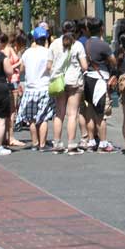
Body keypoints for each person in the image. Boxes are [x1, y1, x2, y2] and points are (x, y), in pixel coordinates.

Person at [47, 20, 87, 154]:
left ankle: (57, 142)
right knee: (72, 114)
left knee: (59, 113)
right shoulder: (78, 45)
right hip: (74, 81)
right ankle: (71, 143)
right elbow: (84, 66)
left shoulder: (54, 44)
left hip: (59, 81)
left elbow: (48, 66)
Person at [82, 18, 116, 153]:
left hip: (88, 79)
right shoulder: (103, 45)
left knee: (90, 111)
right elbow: (113, 61)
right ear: (101, 29)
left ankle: (91, 141)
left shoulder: (85, 43)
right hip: (99, 80)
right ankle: (103, 142)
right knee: (101, 114)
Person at [18, 27, 54, 151]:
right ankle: (42, 144)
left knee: (32, 119)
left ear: (34, 39)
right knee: (43, 118)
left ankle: (34, 143)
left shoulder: (27, 52)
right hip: (44, 87)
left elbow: (21, 69)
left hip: (30, 89)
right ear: (45, 39)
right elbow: (51, 67)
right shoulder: (48, 52)